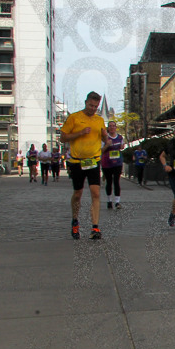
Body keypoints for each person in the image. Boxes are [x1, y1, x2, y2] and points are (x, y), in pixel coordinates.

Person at [61, 91, 107, 240]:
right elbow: (63, 138)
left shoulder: (99, 120)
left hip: (93, 160)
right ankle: (75, 220)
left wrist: (107, 138)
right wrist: (80, 133)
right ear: (85, 102)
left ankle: (95, 227)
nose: (93, 108)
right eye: (90, 105)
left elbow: (104, 136)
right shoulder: (74, 117)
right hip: (77, 161)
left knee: (96, 193)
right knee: (78, 194)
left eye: (95, 106)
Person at [101, 120, 125, 209]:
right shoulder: (105, 138)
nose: (112, 127)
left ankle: (117, 202)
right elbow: (101, 150)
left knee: (116, 181)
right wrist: (107, 145)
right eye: (110, 126)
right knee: (109, 182)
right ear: (108, 128)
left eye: (113, 126)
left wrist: (122, 147)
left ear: (116, 127)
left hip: (117, 163)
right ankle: (109, 200)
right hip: (107, 163)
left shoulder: (120, 137)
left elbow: (122, 146)